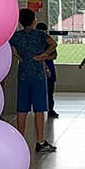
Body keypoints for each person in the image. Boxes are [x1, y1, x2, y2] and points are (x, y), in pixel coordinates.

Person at [10, 8, 56, 154]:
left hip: (23, 74)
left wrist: (18, 56)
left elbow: (8, 47)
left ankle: (20, 140)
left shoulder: (17, 36)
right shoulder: (40, 35)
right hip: (38, 75)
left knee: (22, 109)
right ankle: (40, 141)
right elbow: (53, 44)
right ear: (34, 20)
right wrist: (43, 55)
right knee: (39, 109)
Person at [43, 28, 59, 117]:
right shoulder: (36, 44)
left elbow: (54, 55)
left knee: (50, 91)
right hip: (39, 69)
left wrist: (44, 57)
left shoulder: (50, 44)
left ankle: (50, 109)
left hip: (50, 68)